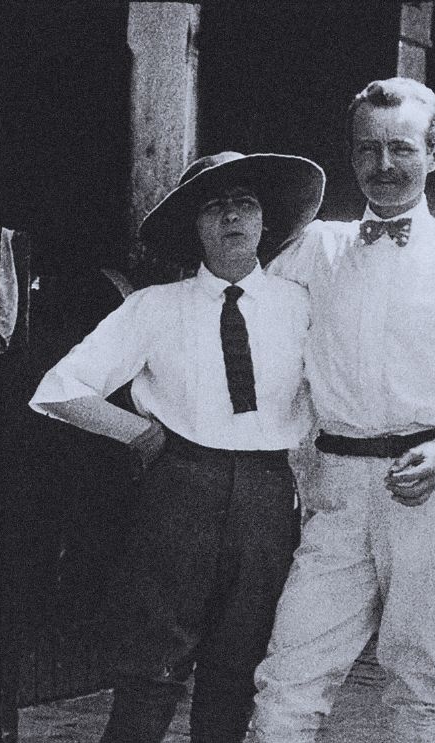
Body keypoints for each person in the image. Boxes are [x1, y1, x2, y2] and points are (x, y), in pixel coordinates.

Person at [249, 77, 435, 743]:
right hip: (336, 494)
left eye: (401, 148)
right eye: (367, 149)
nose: (383, 165)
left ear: (434, 152)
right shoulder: (314, 249)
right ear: (350, 156)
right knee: (287, 684)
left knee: (419, 696)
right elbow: (252, 328)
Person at [28, 151, 325, 743]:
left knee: (237, 667)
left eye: (245, 203)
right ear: (195, 225)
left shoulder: (303, 308)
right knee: (151, 668)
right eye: (213, 206)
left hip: (267, 497)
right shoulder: (154, 307)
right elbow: (58, 388)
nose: (231, 217)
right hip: (180, 490)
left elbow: (331, 399)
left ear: (266, 220)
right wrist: (138, 433)